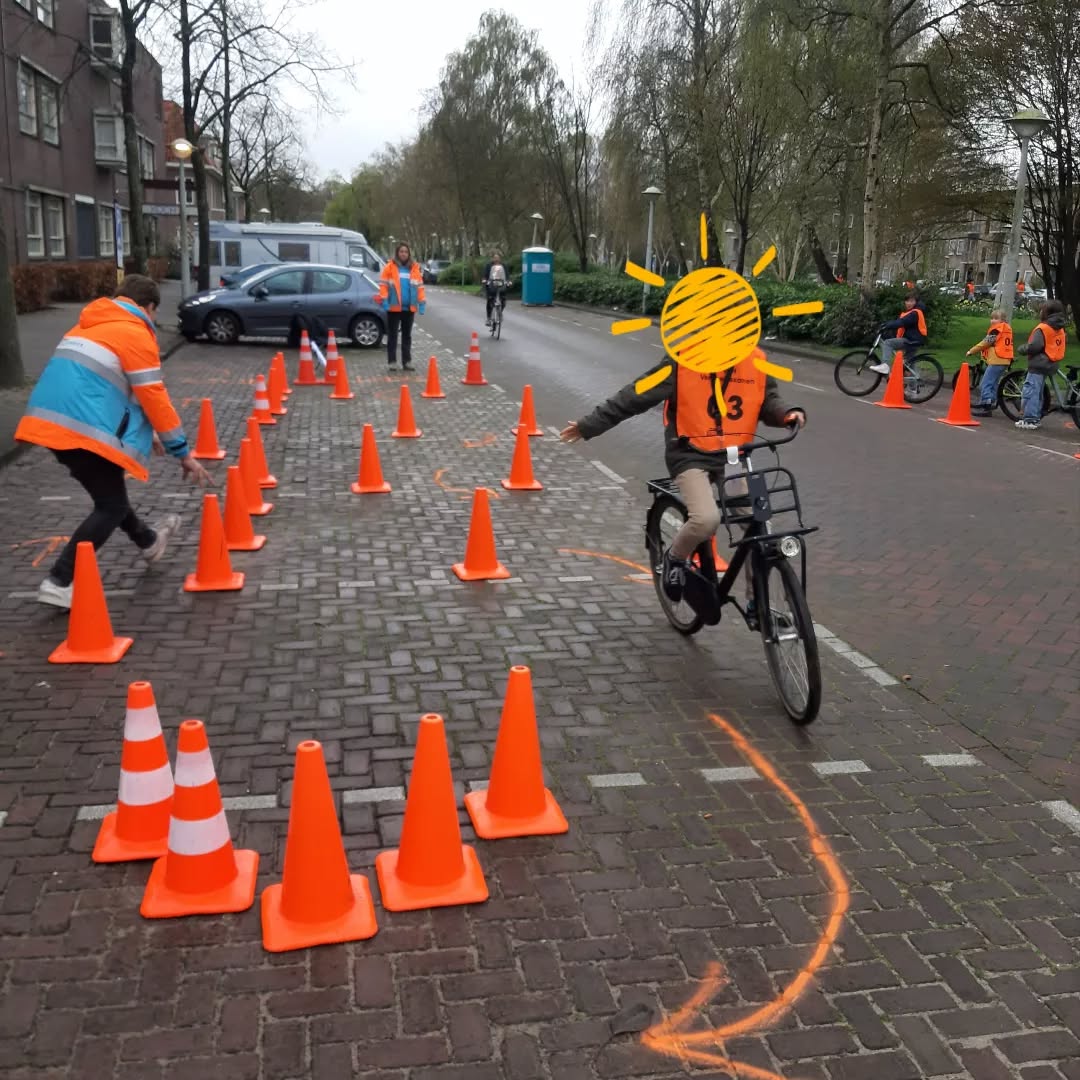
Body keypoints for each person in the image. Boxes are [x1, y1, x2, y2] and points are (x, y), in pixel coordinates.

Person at [14, 274, 211, 609]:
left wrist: (146, 434)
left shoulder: (88, 325)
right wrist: (182, 452)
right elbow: (153, 396)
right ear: (149, 307)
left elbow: (108, 389)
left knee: (110, 495)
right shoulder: (135, 333)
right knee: (111, 505)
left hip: (49, 422)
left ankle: (148, 541)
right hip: (80, 429)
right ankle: (60, 580)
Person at [559, 348, 805, 605]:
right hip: (690, 455)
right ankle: (675, 558)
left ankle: (760, 603)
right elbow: (635, 395)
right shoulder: (683, 360)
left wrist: (787, 412)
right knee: (706, 519)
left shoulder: (756, 360)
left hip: (733, 457)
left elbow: (767, 399)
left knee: (760, 526)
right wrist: (589, 425)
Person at [1014, 299, 1068, 431]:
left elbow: (1035, 346)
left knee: (1031, 391)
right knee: (1038, 391)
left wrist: (1022, 349)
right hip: (1052, 363)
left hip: (1039, 364)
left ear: (1046, 313)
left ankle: (1030, 419)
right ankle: (1035, 416)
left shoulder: (1042, 328)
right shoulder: (1059, 328)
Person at [376, 242, 425, 371]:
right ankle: (392, 361)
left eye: (406, 252)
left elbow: (419, 287)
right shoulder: (389, 267)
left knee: (407, 335)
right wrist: (385, 300)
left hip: (409, 308)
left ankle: (407, 361)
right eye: (401, 251)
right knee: (392, 335)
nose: (403, 254)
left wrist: (422, 303)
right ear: (397, 253)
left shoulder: (414, 268)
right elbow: (383, 285)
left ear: (409, 254)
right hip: (393, 308)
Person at [966, 309, 1013, 417]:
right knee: (994, 383)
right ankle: (990, 401)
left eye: (996, 318)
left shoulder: (996, 330)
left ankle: (986, 406)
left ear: (1003, 320)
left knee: (985, 383)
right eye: (991, 318)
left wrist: (971, 351)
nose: (992, 321)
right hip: (1005, 359)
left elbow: (985, 343)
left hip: (997, 359)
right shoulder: (1007, 329)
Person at [869, 291, 928, 376]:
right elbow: (900, 325)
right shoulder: (912, 312)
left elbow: (902, 322)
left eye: (911, 301)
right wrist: (886, 327)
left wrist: (886, 325)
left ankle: (885, 365)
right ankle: (913, 388)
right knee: (908, 364)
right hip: (915, 339)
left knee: (888, 343)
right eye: (907, 301)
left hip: (911, 340)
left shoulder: (915, 313)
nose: (909, 303)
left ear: (916, 302)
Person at [482, 253, 509, 326]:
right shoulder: (489, 265)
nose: (496, 259)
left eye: (498, 258)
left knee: (503, 300)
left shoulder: (503, 265)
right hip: (491, 285)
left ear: (500, 258)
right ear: (492, 258)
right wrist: (485, 280)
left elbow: (506, 275)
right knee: (490, 300)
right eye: (495, 258)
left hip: (501, 285)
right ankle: (488, 318)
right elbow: (485, 274)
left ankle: (499, 312)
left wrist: (508, 281)